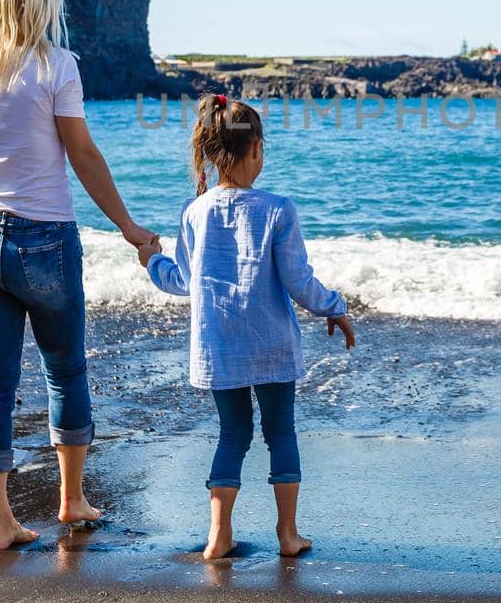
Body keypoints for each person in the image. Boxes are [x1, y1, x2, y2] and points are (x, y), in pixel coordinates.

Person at [0, 0, 156, 554]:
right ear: (39, 2)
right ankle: (71, 498)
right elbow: (81, 154)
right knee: (66, 370)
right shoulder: (56, 66)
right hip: (47, 240)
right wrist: (130, 227)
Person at [138, 94, 356, 561]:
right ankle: (288, 534)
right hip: (271, 345)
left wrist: (152, 261)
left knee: (232, 435)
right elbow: (298, 281)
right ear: (255, 148)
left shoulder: (194, 212)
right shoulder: (278, 209)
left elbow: (183, 282)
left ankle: (218, 536)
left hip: (220, 348)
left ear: (213, 152)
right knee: (282, 434)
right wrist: (334, 307)